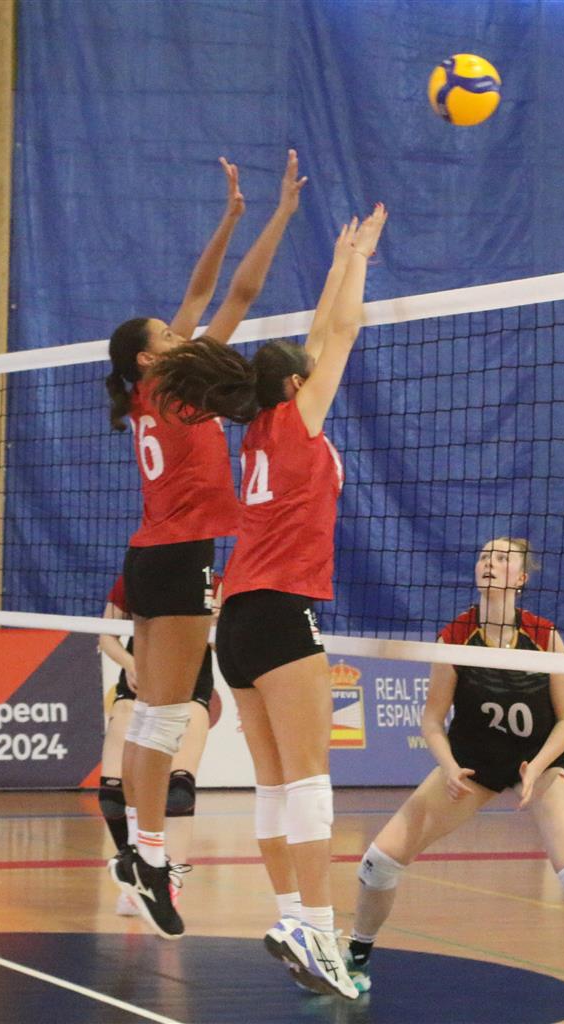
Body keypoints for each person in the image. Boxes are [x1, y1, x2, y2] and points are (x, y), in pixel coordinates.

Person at [149, 204, 388, 1000]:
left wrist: (340, 260)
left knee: (276, 784)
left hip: (240, 623)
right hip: (283, 613)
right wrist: (358, 262)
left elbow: (318, 337)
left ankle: (293, 918)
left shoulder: (257, 429)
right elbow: (339, 332)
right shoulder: (291, 421)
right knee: (310, 781)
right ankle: (317, 928)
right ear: (295, 386)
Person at [105, 150, 307, 940]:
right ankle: (151, 858)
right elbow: (233, 295)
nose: (179, 325)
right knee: (163, 719)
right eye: (167, 332)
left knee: (148, 718)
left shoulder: (147, 397)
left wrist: (231, 215)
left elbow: (198, 296)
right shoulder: (177, 381)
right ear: (150, 357)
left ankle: (139, 853)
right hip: (183, 555)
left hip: (147, 557)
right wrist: (277, 214)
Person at [342, 537, 564, 1010]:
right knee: (378, 863)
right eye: (483, 556)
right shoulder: (455, 636)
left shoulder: (544, 635)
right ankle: (356, 955)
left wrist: (537, 768)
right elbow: (432, 720)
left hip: (537, 763)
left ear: (521, 578)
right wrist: (449, 767)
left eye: (501, 558)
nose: (489, 563)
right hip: (473, 765)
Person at [97, 574, 216, 917]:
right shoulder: (137, 574)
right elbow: (106, 635)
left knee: (179, 792)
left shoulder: (212, 581)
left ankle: (169, 882)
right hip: (140, 681)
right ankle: (135, 872)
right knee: (112, 797)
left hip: (189, 683)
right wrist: (130, 663)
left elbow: (224, 638)